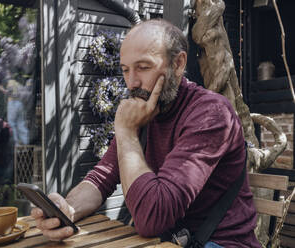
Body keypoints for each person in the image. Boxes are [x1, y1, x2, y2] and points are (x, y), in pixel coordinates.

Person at [31, 19, 261, 247]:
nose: (131, 82)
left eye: (143, 67)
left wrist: (127, 133)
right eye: (125, 70)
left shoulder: (211, 113)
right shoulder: (143, 111)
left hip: (221, 243)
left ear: (178, 63)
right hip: (169, 241)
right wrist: (67, 210)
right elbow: (102, 178)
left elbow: (153, 218)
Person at [0, 72, 30, 145]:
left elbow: (6, 91)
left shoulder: (9, 82)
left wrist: (3, 90)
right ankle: (26, 143)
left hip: (13, 103)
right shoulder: (18, 82)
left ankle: (16, 144)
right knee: (21, 123)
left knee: (12, 123)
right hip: (20, 103)